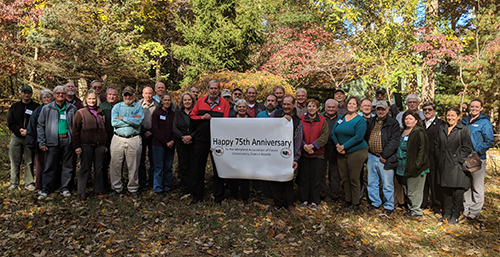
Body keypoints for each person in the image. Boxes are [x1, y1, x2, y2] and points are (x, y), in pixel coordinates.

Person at [190, 80, 230, 205]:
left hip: (217, 141)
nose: (213, 90)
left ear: (219, 90)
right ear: (207, 89)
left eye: (215, 88)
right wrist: (202, 117)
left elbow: (226, 122)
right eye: (211, 88)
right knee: (198, 169)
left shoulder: (225, 104)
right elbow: (192, 116)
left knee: (218, 170)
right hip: (201, 140)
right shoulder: (200, 101)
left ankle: (218, 197)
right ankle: (197, 196)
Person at [37, 86, 78, 200]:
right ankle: (46, 189)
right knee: (49, 166)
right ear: (54, 95)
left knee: (67, 166)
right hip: (52, 141)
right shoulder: (47, 108)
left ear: (66, 95)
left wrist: (75, 142)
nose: (60, 95)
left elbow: (76, 127)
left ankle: (64, 188)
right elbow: (40, 125)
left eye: (63, 93)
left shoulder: (71, 108)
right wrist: (42, 142)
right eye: (58, 93)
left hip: (67, 141)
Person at [435, 107, 473, 224]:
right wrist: (440, 158)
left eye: (453, 115)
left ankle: (455, 215)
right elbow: (437, 145)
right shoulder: (442, 128)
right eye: (448, 115)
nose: (450, 117)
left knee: (457, 192)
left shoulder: (463, 129)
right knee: (446, 190)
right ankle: (446, 213)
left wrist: (458, 160)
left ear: (458, 116)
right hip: (444, 165)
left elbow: (467, 148)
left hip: (457, 166)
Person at [331, 96, 368, 212]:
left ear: (357, 107)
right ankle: (348, 200)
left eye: (354, 104)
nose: (351, 106)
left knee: (354, 178)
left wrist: (344, 146)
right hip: (341, 151)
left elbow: (359, 137)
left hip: (356, 151)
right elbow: (333, 133)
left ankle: (355, 203)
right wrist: (338, 145)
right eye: (349, 104)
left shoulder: (360, 120)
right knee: (345, 178)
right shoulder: (341, 117)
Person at [365, 101, 400, 214]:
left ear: (387, 109)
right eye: (378, 109)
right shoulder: (371, 121)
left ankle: (389, 205)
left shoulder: (392, 123)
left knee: (387, 183)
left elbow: (394, 141)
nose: (380, 111)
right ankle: (375, 202)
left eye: (383, 109)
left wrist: (385, 155)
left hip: (385, 157)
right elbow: (365, 137)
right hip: (371, 156)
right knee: (372, 182)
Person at [108, 86, 144, 198]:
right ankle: (116, 188)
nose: (128, 97)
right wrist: (131, 120)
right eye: (125, 95)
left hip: (134, 138)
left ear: (134, 95)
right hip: (118, 138)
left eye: (130, 95)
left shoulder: (139, 108)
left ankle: (133, 188)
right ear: (123, 96)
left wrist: (123, 118)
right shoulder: (117, 107)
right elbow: (114, 123)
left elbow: (138, 122)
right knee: (115, 164)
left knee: (133, 165)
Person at [462, 98, 495, 220]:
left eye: (477, 107)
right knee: (466, 185)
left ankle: (475, 211)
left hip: (477, 158)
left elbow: (490, 141)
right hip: (464, 157)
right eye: (472, 106)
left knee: (477, 185)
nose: (474, 109)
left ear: (481, 108)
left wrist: (476, 151)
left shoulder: (484, 123)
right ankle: (466, 208)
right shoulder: (465, 121)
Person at [72, 90, 107, 200]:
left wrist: (104, 144)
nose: (92, 101)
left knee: (99, 168)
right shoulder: (81, 113)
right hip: (86, 145)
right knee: (85, 168)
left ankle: (98, 190)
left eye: (93, 99)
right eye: (89, 99)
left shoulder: (101, 112)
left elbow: (103, 130)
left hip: (99, 146)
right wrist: (76, 146)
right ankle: (82, 191)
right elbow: (75, 131)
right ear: (86, 100)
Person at [269, 95, 303, 211]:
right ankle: (277, 202)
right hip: (274, 152)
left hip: (289, 154)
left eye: (288, 104)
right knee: (275, 178)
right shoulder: (274, 115)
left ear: (294, 105)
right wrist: (280, 121)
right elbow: (267, 128)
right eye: (284, 104)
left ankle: (289, 203)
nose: (286, 106)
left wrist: (296, 158)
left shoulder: (298, 121)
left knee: (288, 178)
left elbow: (298, 140)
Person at [396, 110, 430, 219]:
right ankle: (411, 209)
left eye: (411, 118)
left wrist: (418, 164)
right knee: (407, 189)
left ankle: (416, 211)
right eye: (406, 119)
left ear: (416, 120)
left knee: (414, 191)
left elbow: (423, 149)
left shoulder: (419, 131)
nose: (408, 120)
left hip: (416, 167)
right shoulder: (403, 131)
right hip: (403, 166)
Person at [7, 85, 40, 191]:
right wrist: (19, 130)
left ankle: (29, 182)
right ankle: (14, 183)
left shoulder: (36, 107)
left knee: (29, 161)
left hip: (30, 137)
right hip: (16, 137)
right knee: (15, 161)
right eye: (24, 92)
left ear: (31, 94)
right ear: (21, 93)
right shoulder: (14, 107)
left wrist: (29, 132)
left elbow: (38, 122)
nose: (26, 95)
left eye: (28, 93)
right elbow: (10, 122)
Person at [298, 99, 329, 210]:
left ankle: (314, 201)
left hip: (317, 154)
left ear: (317, 108)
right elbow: (298, 135)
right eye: (309, 106)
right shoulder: (301, 120)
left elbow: (324, 137)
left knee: (316, 178)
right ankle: (304, 200)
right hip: (304, 153)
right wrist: (304, 145)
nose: (311, 108)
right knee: (304, 177)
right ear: (307, 108)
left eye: (313, 106)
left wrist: (313, 146)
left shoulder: (323, 121)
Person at [421, 102, 446, 214]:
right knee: (423, 183)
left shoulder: (441, 124)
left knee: (435, 183)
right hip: (422, 159)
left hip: (435, 159)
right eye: (425, 109)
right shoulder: (420, 124)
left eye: (429, 109)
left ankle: (437, 206)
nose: (427, 111)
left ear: (434, 111)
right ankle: (423, 204)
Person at [26, 89, 54, 191]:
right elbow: (31, 128)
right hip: (40, 143)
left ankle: (51, 186)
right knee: (41, 166)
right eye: (44, 97)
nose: (46, 99)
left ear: (52, 98)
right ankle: (39, 186)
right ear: (41, 99)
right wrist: (32, 144)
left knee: (52, 166)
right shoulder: (37, 111)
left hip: (54, 142)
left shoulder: (56, 109)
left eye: (48, 97)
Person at [151, 93, 175, 194]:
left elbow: (175, 129)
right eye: (165, 100)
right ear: (161, 102)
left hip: (171, 144)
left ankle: (167, 186)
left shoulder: (173, 114)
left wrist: (172, 141)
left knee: (168, 166)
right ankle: (157, 187)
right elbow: (155, 130)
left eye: (169, 100)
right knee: (158, 166)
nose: (167, 102)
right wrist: (166, 142)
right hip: (159, 144)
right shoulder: (156, 113)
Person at [173, 92, 196, 196]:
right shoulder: (178, 113)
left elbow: (199, 127)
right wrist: (183, 137)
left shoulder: (196, 112)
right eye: (185, 100)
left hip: (194, 142)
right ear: (182, 102)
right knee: (184, 166)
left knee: (193, 165)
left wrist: (191, 136)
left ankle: (194, 188)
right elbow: (174, 127)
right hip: (181, 143)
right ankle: (186, 189)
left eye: (189, 100)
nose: (187, 102)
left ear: (192, 101)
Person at [228, 99, 250, 202]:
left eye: (244, 107)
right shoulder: (230, 119)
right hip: (234, 149)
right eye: (239, 107)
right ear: (236, 108)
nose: (242, 109)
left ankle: (245, 196)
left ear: (246, 108)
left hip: (247, 149)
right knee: (234, 171)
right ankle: (234, 195)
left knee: (245, 172)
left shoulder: (252, 120)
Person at [137, 87, 159, 188]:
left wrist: (151, 132)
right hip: (141, 134)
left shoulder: (158, 105)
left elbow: (159, 122)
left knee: (153, 159)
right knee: (140, 159)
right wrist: (144, 131)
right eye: (146, 93)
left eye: (150, 93)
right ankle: (141, 181)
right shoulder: (138, 105)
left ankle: (151, 181)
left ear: (153, 94)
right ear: (143, 94)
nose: (148, 96)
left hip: (153, 135)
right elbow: (135, 120)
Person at [99, 86, 118, 192]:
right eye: (110, 94)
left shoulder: (120, 106)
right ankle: (103, 185)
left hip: (117, 138)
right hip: (106, 139)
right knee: (104, 163)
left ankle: (115, 184)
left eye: (114, 94)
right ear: (106, 95)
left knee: (116, 163)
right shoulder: (102, 107)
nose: (112, 96)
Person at [320, 99, 340, 201]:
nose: (331, 109)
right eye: (329, 107)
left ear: (337, 108)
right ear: (325, 107)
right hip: (322, 148)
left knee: (335, 172)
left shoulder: (341, 118)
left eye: (333, 107)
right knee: (321, 172)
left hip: (336, 148)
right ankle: (322, 193)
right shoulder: (319, 117)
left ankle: (334, 195)